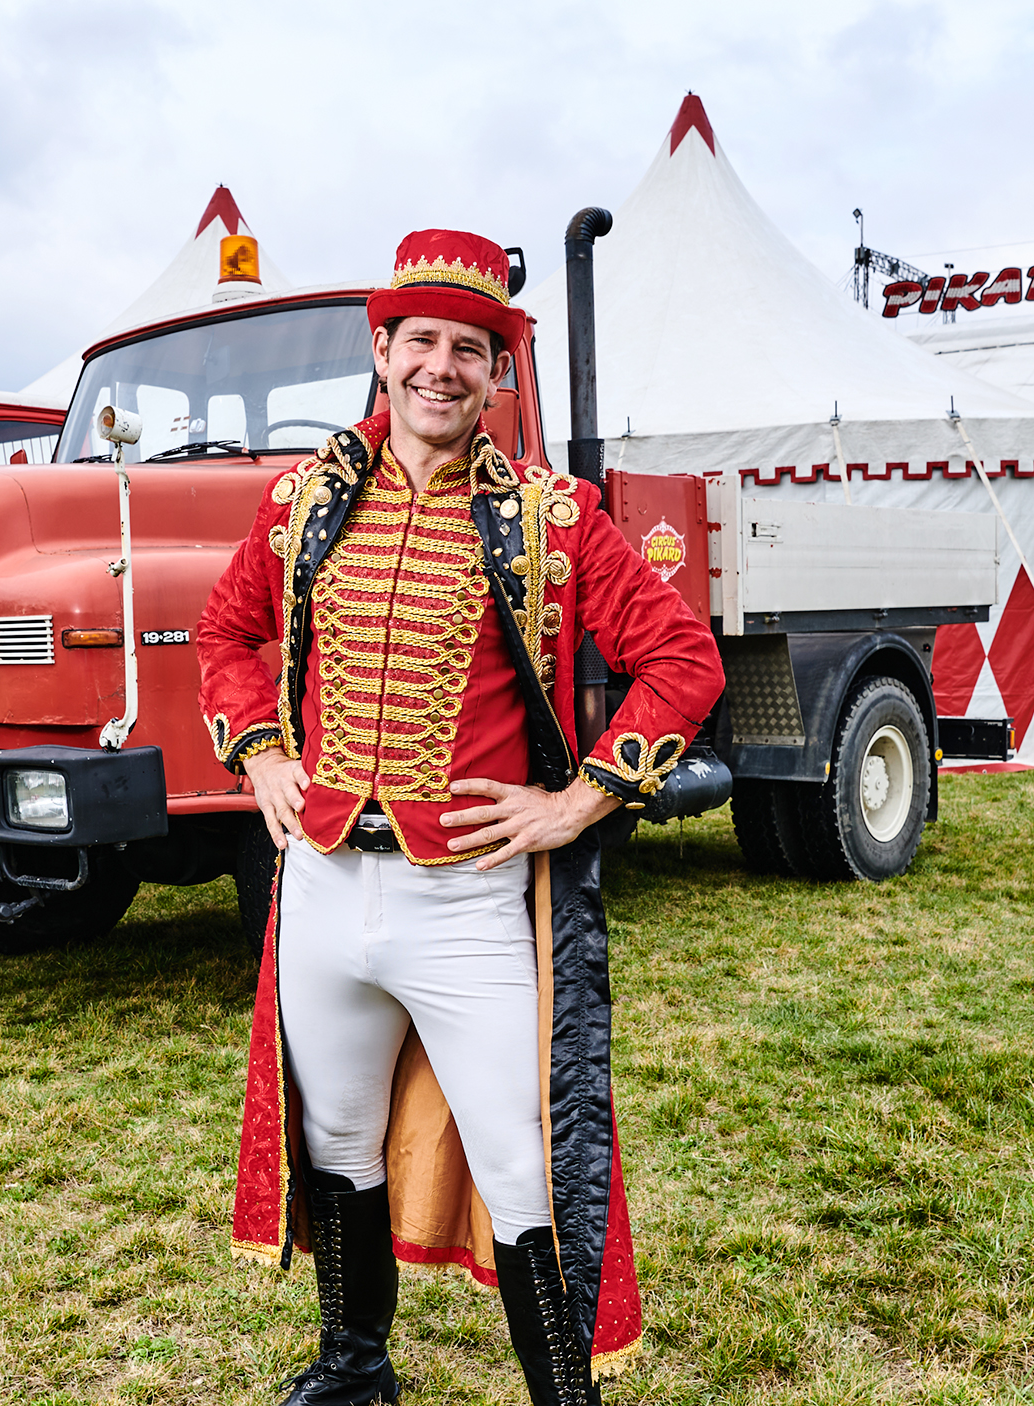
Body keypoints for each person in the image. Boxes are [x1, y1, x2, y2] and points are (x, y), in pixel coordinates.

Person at [197, 228, 723, 1405]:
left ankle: (563, 1399)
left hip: (469, 899)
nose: (442, 365)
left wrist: (578, 799)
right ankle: (352, 1366)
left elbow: (681, 661)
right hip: (328, 886)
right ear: (381, 350)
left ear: (498, 372)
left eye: (470, 348)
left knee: (522, 1163)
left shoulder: (552, 516)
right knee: (336, 1139)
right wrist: (263, 751)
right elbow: (223, 636)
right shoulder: (307, 501)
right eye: (421, 340)